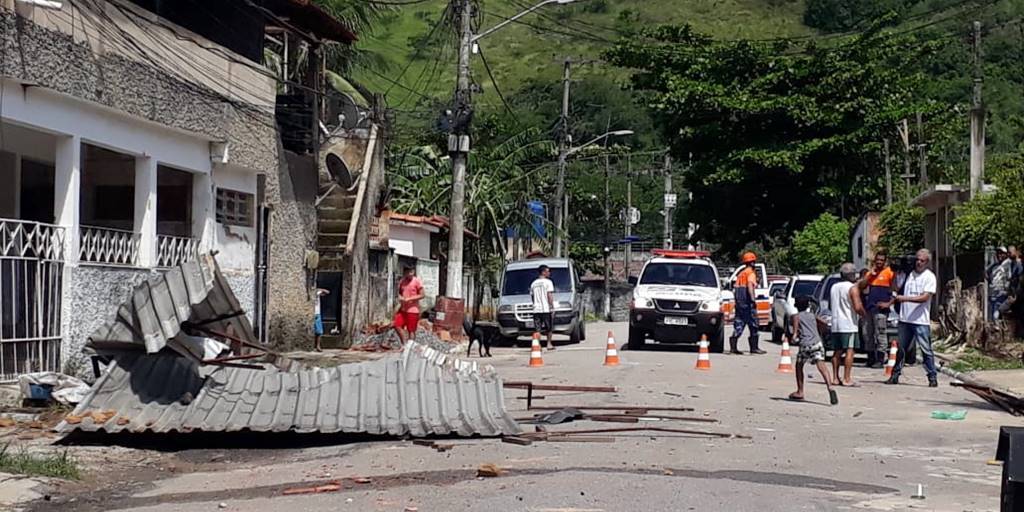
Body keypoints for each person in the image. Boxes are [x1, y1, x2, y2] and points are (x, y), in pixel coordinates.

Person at [887, 248, 939, 387]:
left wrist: (905, 299)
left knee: (926, 349)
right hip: (905, 319)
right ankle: (895, 375)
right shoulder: (909, 274)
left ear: (927, 262)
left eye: (922, 260)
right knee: (901, 349)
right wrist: (895, 274)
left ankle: (932, 376)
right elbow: (896, 289)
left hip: (920, 320)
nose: (918, 263)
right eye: (917, 260)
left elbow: (925, 297)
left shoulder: (929, 277)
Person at [789, 295, 838, 405]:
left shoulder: (796, 316)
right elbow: (824, 323)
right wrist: (820, 331)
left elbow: (795, 333)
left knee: (799, 366)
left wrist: (793, 338)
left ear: (796, 305)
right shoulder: (812, 315)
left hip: (805, 344)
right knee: (822, 366)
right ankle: (830, 387)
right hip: (817, 343)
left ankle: (800, 391)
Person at [859, 252, 896, 369]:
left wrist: (889, 303)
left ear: (885, 261)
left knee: (880, 334)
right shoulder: (871, 273)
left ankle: (880, 359)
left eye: (881, 260)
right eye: (877, 260)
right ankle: (870, 358)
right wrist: (870, 275)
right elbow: (862, 286)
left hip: (881, 309)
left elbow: (895, 291)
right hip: (869, 308)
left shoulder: (890, 273)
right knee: (867, 334)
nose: (879, 262)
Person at [831, 263, 865, 387]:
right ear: (852, 274)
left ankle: (835, 377)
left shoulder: (834, 287)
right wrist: (863, 313)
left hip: (835, 323)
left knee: (837, 351)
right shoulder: (852, 288)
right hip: (848, 324)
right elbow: (857, 306)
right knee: (850, 350)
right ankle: (846, 378)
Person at [730, 251, 766, 355]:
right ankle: (754, 348)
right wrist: (753, 299)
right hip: (748, 303)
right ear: (752, 262)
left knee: (739, 323)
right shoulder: (750, 273)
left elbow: (736, 288)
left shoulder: (741, 273)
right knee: (754, 324)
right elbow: (750, 286)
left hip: (740, 303)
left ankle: (733, 347)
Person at [394, 266, 424, 344]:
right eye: (408, 272)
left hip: (413, 310)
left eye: (412, 272)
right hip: (403, 309)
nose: (410, 274)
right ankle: (404, 344)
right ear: (405, 273)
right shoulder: (402, 281)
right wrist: (400, 298)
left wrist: (409, 299)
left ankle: (410, 346)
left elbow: (422, 295)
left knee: (411, 330)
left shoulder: (417, 281)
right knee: (397, 325)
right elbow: (399, 293)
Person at [530, 265, 556, 350]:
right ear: (543, 272)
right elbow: (549, 295)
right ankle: (549, 344)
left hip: (536, 309)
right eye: (548, 271)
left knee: (538, 328)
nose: (549, 273)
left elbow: (532, 297)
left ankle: (538, 345)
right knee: (549, 327)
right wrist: (551, 306)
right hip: (545, 308)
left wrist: (535, 304)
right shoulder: (548, 282)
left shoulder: (533, 283)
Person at [988, 246, 1012, 320]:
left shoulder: (1008, 264)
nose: (999, 255)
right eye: (998, 253)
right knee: (992, 316)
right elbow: (988, 276)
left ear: (1006, 254)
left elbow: (1010, 278)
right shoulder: (994, 266)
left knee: (996, 315)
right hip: (993, 294)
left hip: (1002, 294)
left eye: (1001, 253)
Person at [312, 287, 329, 352]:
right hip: (310, 312)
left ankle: (318, 346)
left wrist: (320, 289)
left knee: (319, 331)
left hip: (317, 313)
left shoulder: (317, 293)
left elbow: (327, 292)